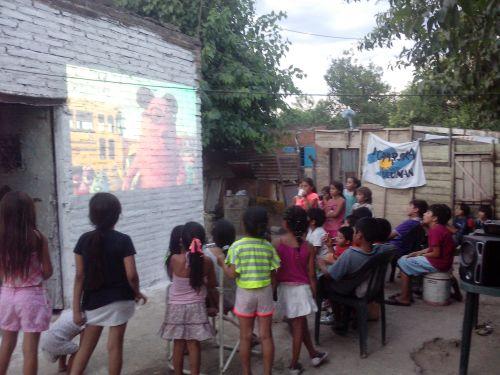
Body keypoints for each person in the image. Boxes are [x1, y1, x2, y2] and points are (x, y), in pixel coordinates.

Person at [70, 192, 147, 375]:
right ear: (117, 214)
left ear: (91, 216)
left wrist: (75, 309)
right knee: (115, 346)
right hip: (121, 300)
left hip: (94, 302)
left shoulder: (83, 240)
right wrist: (137, 292)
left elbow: (79, 276)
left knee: (85, 348)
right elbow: (132, 275)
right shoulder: (124, 240)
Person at [212, 206, 280, 375]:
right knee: (266, 336)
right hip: (264, 292)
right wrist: (273, 291)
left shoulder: (237, 247)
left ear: (243, 225)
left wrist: (221, 261)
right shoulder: (268, 247)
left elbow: (232, 274)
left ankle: (246, 372)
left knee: (245, 337)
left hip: (245, 294)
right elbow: (273, 274)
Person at [0, 191, 53, 375]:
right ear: (29, 212)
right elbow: (47, 271)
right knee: (30, 350)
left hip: (6, 295)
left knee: (6, 343)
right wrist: (33, 275)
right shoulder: (38, 238)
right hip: (31, 296)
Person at [274, 207, 327, 374]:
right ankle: (301, 360)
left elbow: (274, 271)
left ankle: (303, 359)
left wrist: (273, 290)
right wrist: (314, 292)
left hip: (285, 289)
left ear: (286, 223)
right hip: (302, 290)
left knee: (298, 325)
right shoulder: (309, 247)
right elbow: (312, 274)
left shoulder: (277, 243)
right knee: (299, 325)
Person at [160, 222, 218, 375]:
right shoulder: (207, 261)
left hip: (176, 307)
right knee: (194, 345)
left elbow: (174, 278)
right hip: (196, 308)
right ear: (203, 241)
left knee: (178, 344)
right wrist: (203, 281)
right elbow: (212, 284)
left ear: (181, 241)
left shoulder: (174, 259)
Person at [387, 204, 454, 307]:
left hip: (438, 263)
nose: (424, 214)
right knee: (407, 259)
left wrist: (422, 255)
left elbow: (436, 253)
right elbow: (432, 248)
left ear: (434, 218)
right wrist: (418, 253)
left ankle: (405, 298)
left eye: (428, 213)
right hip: (443, 261)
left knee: (402, 261)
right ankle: (407, 293)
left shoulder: (436, 231)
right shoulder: (440, 228)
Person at [206, 219, 237, 313]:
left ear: (214, 237)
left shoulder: (206, 254)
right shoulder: (237, 252)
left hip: (216, 300)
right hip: (237, 298)